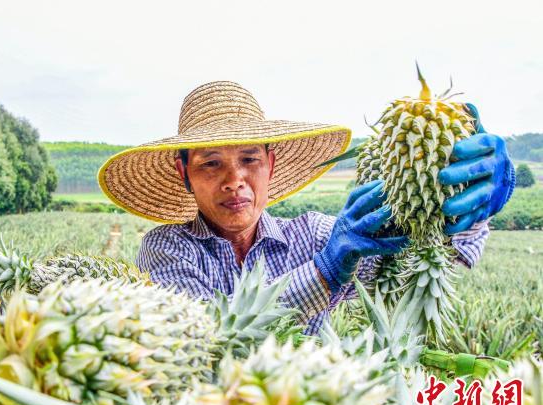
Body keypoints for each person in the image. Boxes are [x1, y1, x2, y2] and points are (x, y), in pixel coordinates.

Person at [98, 81, 515, 333]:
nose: (234, 181)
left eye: (249, 159)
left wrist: (465, 209)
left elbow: (408, 266)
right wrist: (326, 269)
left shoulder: (315, 235)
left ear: (270, 163)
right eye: (211, 164)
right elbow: (211, 340)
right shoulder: (167, 248)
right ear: (184, 171)